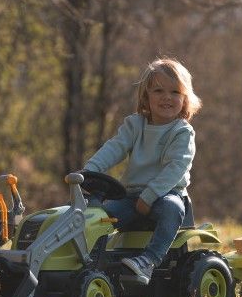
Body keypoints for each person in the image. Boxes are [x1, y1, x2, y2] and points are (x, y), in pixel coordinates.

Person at [82, 58, 202, 284]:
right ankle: (91, 262)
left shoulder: (181, 132)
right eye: (158, 90)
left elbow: (176, 168)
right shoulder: (135, 125)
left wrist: (150, 195)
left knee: (171, 209)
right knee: (99, 217)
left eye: (175, 92)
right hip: (130, 196)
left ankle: (148, 260)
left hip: (167, 194)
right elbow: (114, 148)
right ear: (146, 96)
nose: (167, 97)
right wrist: (89, 172)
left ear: (185, 99)